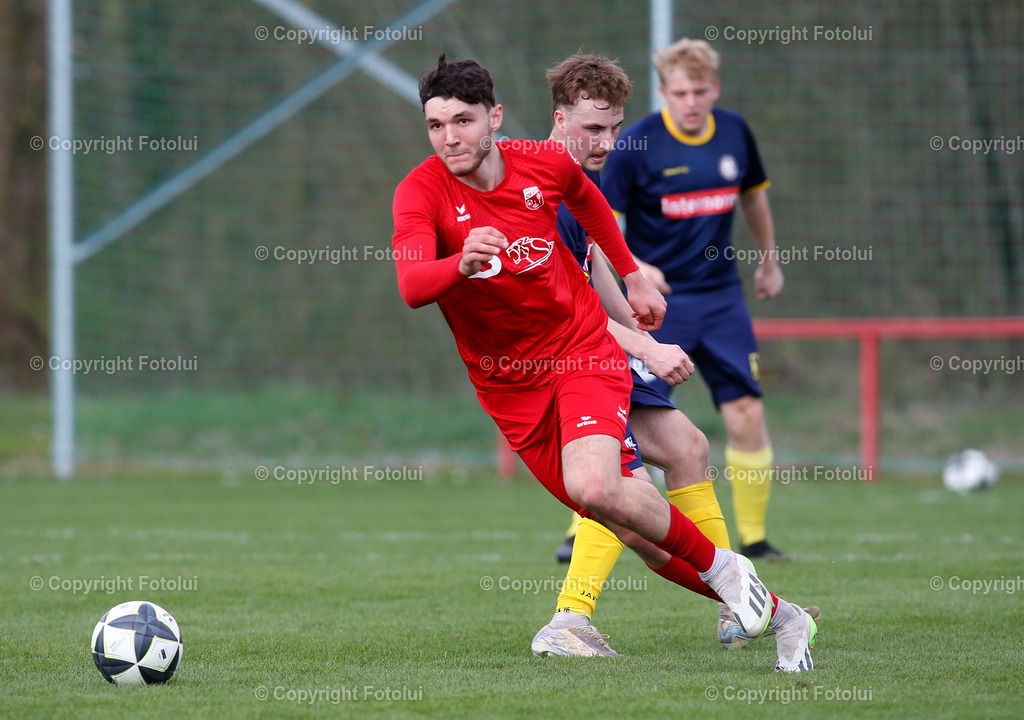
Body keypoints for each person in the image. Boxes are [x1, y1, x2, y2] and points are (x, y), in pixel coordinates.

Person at [392, 55, 816, 672]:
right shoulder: (421, 190)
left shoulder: (546, 166)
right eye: (436, 125)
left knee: (607, 482)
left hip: (581, 352)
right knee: (627, 515)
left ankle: (693, 586)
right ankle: (775, 611)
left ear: (496, 118)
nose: (450, 137)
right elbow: (410, 284)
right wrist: (457, 264)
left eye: (463, 120)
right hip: (508, 385)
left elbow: (589, 212)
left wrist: (634, 279)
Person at [528, 54, 817, 660]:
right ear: (558, 119)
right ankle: (569, 618)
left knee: (688, 448)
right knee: (616, 484)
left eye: (614, 128)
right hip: (563, 359)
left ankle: (739, 609)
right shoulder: (536, 192)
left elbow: (592, 263)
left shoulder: (582, 177)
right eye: (592, 129)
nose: (608, 142)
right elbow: (562, 307)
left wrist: (635, 294)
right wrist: (644, 344)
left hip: (599, 340)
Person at [600, 38, 789, 563]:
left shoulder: (734, 133)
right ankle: (585, 527)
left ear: (715, 90)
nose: (690, 101)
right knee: (624, 419)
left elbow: (754, 196)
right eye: (679, 92)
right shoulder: (635, 144)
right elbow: (603, 225)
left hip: (723, 297)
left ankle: (754, 538)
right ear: (663, 92)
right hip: (657, 304)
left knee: (747, 411)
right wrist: (636, 268)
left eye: (699, 91)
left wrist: (769, 260)